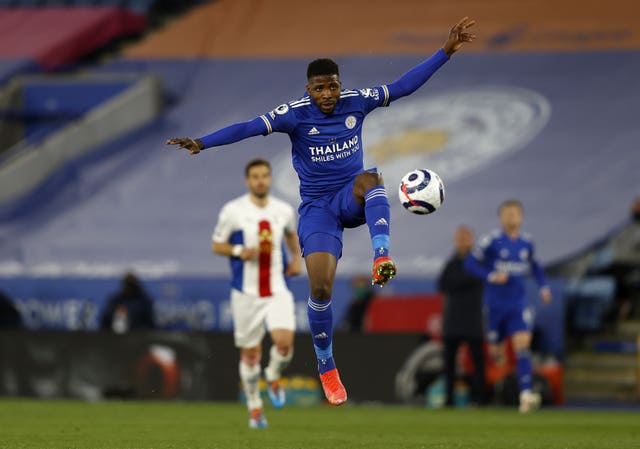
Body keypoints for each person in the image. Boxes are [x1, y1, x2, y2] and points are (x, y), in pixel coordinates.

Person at [167, 17, 476, 405]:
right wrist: (203, 143)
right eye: (319, 88)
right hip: (318, 210)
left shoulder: (356, 102)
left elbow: (402, 87)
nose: (327, 94)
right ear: (308, 89)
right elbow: (248, 127)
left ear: (340, 84)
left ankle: (382, 256)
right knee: (320, 287)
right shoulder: (294, 114)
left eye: (332, 86)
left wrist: (445, 52)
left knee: (372, 179)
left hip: (350, 196)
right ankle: (327, 364)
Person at [211, 158, 302, 429]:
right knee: (251, 355)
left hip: (276, 289)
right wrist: (239, 251)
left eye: (264, 175)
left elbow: (290, 235)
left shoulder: (283, 210)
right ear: (247, 181)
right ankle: (254, 407)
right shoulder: (233, 211)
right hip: (246, 293)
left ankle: (273, 375)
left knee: (284, 343)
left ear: (270, 179)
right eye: (255, 176)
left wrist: (296, 257)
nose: (260, 180)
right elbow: (217, 245)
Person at [464, 200, 552, 413]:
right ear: (501, 218)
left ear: (521, 217)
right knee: (497, 353)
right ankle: (497, 393)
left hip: (517, 304)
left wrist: (544, 287)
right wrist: (491, 276)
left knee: (522, 344)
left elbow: (536, 266)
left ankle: (525, 395)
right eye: (507, 214)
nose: (512, 217)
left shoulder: (526, 243)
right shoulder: (492, 241)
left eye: (515, 213)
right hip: (494, 305)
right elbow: (469, 263)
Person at [437, 225, 486, 406]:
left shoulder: (479, 262)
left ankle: (480, 399)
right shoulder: (452, 263)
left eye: (465, 238)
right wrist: (462, 281)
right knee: (449, 363)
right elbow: (442, 284)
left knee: (477, 362)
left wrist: (458, 282)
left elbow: (474, 279)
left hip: (473, 319)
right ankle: (448, 399)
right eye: (459, 238)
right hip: (453, 319)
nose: (462, 241)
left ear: (472, 240)